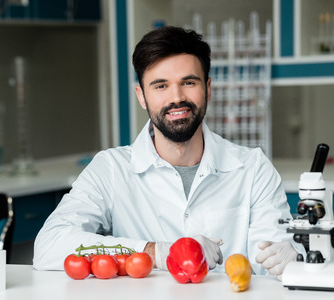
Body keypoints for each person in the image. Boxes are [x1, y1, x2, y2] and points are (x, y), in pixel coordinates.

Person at [33, 26, 304, 278]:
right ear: (141, 96)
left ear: (207, 89)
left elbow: (269, 262)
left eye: (188, 82)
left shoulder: (253, 168)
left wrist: (294, 256)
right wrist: (156, 252)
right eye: (160, 85)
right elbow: (49, 246)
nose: (176, 97)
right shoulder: (111, 169)